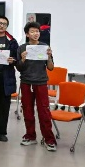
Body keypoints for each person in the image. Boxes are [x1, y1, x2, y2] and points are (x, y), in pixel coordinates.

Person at [16, 22, 57, 151]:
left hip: (41, 82)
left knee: (44, 111)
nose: (36, 34)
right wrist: (22, 59)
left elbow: (51, 68)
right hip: (26, 82)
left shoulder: (44, 47)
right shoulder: (22, 48)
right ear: (27, 34)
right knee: (27, 110)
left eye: (37, 31)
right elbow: (19, 68)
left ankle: (49, 139)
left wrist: (49, 57)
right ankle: (30, 136)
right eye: (32, 31)